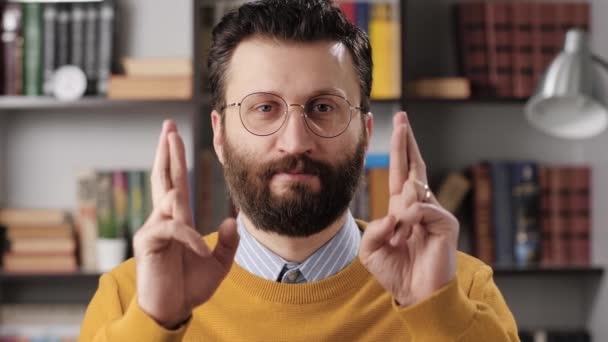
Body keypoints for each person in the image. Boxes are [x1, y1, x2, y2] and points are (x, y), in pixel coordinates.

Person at [79, 0, 519, 341]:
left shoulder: (457, 289)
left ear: (365, 133)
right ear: (219, 133)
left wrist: (436, 313)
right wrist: (156, 323)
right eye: (264, 108)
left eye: (323, 107)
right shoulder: (132, 295)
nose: (295, 142)